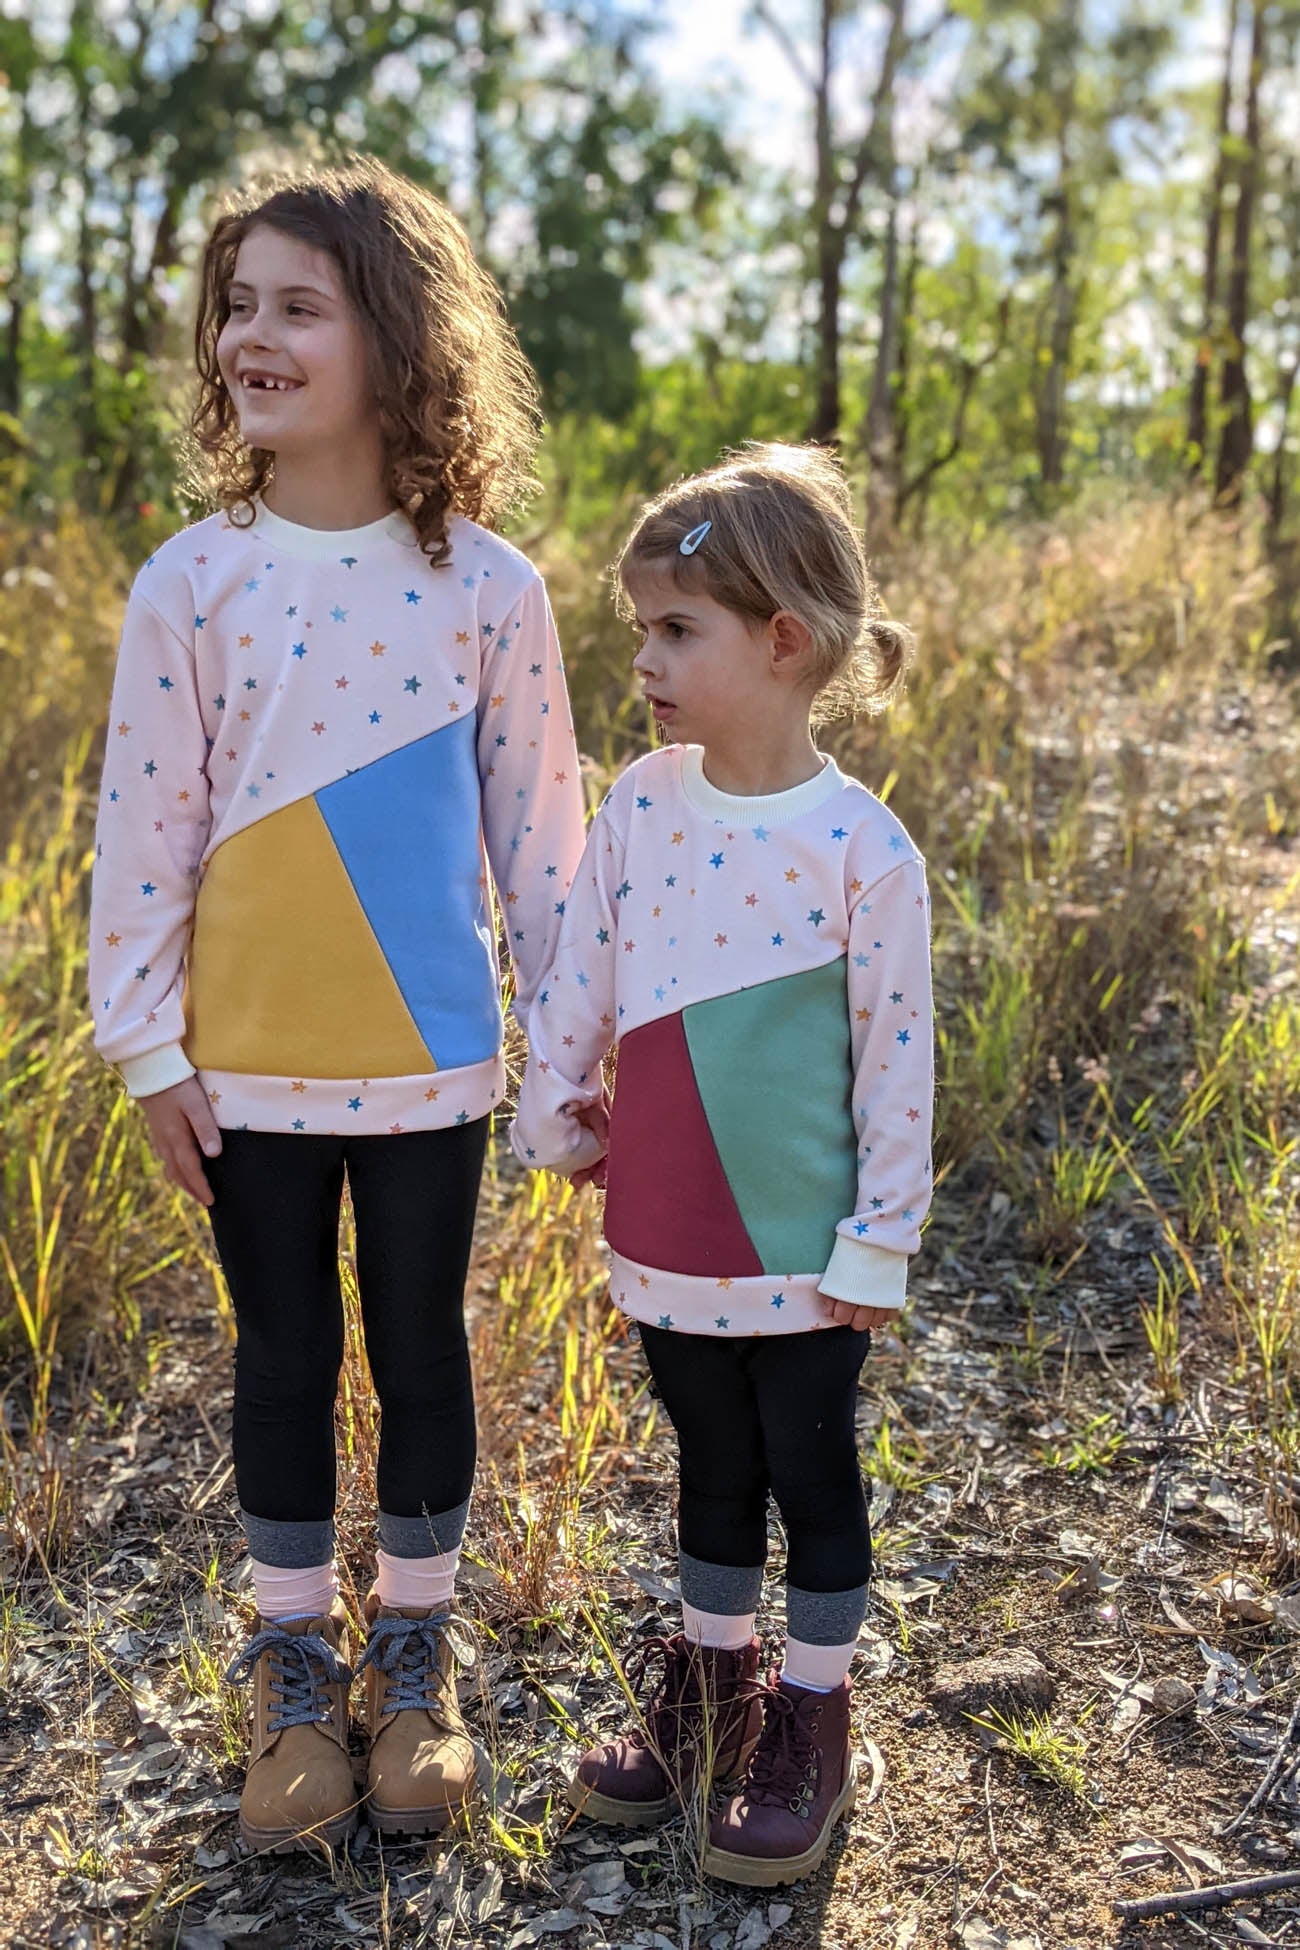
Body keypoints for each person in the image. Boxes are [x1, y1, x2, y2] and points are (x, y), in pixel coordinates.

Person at [88, 157, 586, 1854]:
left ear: (398, 339)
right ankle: (296, 1671)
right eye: (238, 305)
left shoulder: (493, 589)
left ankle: (418, 1658)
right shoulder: (191, 580)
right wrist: (146, 1046)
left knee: (422, 1343)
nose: (254, 336)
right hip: (244, 1070)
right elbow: (143, 831)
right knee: (283, 1353)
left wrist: (567, 1054)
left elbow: (544, 845)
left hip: (432, 1063)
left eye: (299, 306)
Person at [512, 443, 934, 1887]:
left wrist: (881, 1236)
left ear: (783, 641)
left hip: (808, 1252)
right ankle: (711, 1682)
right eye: (640, 627)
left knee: (809, 1468)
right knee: (706, 1457)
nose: (644, 659)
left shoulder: (863, 848)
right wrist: (556, 1117)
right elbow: (582, 975)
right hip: (669, 1224)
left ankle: (811, 1710)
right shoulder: (640, 803)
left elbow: (895, 1064)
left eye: (676, 629)